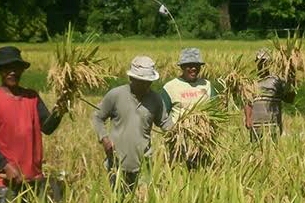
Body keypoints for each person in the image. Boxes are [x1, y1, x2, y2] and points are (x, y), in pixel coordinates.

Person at [0, 46, 64, 203]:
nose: (12, 72)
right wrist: (5, 165)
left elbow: (47, 128)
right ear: (0, 71)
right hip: (7, 180)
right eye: (7, 68)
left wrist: (60, 109)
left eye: (16, 68)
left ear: (21, 70)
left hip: (34, 177)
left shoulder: (32, 96)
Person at [93, 56, 172, 194]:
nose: (145, 85)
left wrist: (180, 131)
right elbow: (98, 117)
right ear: (132, 79)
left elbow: (164, 122)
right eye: (141, 82)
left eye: (148, 82)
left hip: (144, 166)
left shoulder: (155, 99)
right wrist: (104, 138)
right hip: (116, 165)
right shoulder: (115, 95)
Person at [244, 48, 296, 142]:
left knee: (272, 153)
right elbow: (248, 103)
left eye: (264, 62)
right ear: (256, 63)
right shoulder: (251, 81)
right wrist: (248, 119)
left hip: (273, 126)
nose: (262, 64)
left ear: (269, 63)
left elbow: (289, 99)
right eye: (260, 61)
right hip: (256, 127)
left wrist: (291, 81)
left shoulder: (276, 81)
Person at [161, 47, 216, 123]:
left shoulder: (207, 85)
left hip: (204, 132)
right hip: (179, 132)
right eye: (189, 65)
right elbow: (162, 116)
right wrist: (172, 129)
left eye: (197, 65)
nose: (193, 68)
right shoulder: (170, 87)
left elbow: (215, 110)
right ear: (182, 67)